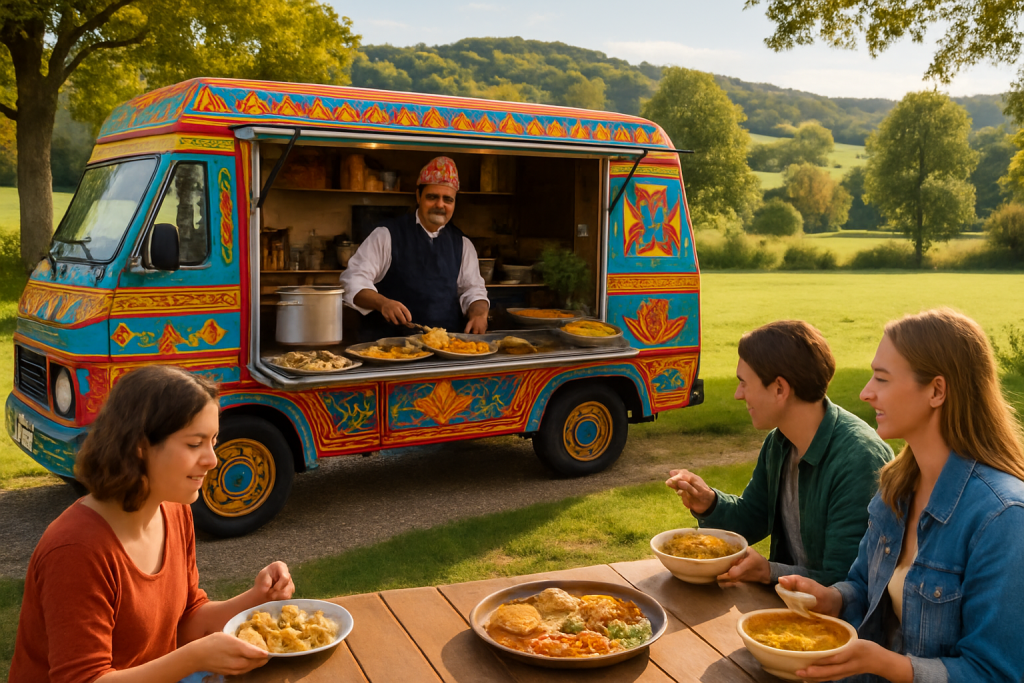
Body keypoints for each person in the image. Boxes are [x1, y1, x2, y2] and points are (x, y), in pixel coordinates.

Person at [779, 309, 1024, 683]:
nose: (865, 392)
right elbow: (865, 585)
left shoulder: (1003, 517)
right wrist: (833, 599)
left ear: (937, 391)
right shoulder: (897, 485)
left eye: (882, 378)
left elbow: (996, 672)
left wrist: (885, 664)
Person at [9, 365, 294, 682]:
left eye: (213, 441)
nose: (212, 460)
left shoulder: (174, 509)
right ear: (139, 447)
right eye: (194, 443)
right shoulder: (75, 551)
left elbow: (186, 620)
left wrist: (258, 598)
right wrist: (194, 658)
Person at [666, 320, 892, 586]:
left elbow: (846, 582)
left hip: (831, 612)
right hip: (790, 602)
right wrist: (709, 503)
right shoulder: (779, 442)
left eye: (744, 383)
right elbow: (753, 518)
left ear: (779, 389)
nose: (738, 394)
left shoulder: (859, 459)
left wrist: (769, 571)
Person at [340, 156, 490, 340]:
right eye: (432, 197)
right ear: (418, 196)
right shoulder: (387, 234)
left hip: (447, 346)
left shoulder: (463, 244)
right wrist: (382, 303)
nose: (440, 205)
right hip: (391, 346)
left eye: (448, 199)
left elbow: (473, 291)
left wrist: (479, 314)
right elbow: (353, 280)